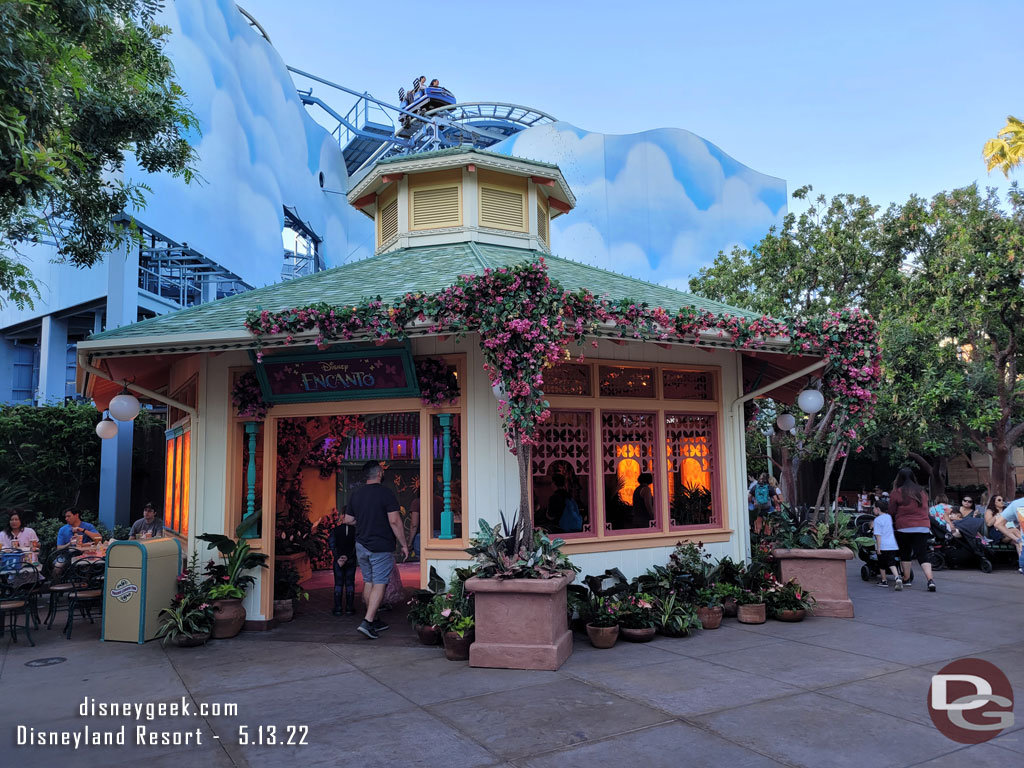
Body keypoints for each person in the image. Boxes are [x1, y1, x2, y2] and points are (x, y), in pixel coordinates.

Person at [348, 461, 408, 639]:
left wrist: (366, 522)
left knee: (369, 581)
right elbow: (395, 521)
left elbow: (348, 519)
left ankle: (373, 620)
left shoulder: (356, 494)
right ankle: (367, 622)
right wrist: (404, 544)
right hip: (380, 546)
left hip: (361, 544)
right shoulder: (386, 493)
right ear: (380, 473)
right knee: (380, 582)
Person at [889, 468, 936, 591]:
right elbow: (926, 509)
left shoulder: (897, 492)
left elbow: (892, 511)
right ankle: (930, 580)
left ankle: (906, 578)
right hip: (923, 526)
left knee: (905, 553)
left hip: (904, 527)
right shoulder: (922, 492)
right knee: (922, 554)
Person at [328, 507, 358, 616]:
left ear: (342, 516)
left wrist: (339, 557)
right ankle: (350, 607)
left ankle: (338, 608)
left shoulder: (335, 530)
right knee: (350, 583)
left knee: (338, 584)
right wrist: (348, 557)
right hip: (351, 560)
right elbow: (356, 546)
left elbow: (332, 545)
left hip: (338, 561)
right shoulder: (355, 531)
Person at [871, 498, 902, 589]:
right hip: (892, 545)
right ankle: (897, 577)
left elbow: (878, 535)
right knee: (892, 563)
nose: (873, 510)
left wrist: (878, 548)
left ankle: (884, 580)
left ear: (878, 509)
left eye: (874, 508)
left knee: (882, 564)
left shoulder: (877, 520)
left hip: (883, 545)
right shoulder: (889, 517)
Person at [995, 484, 1024, 556]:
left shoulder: (1015, 505)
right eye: (999, 500)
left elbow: (998, 524)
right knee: (1015, 532)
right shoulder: (992, 512)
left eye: (1002, 500)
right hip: (1003, 534)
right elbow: (993, 524)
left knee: (1016, 536)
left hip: (1016, 534)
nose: (1002, 501)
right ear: (994, 502)